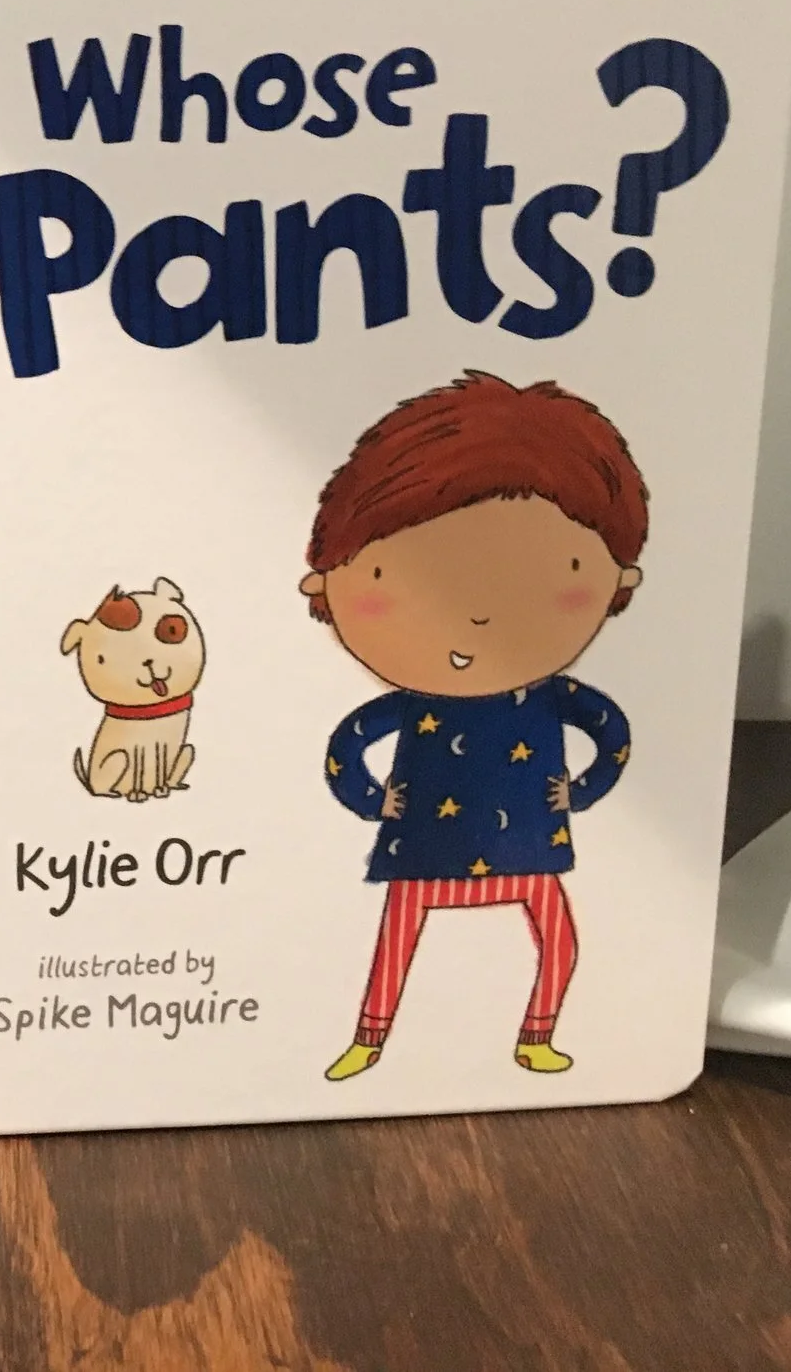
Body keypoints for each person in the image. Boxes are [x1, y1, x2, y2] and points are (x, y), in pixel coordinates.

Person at [301, 372, 646, 1081]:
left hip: (528, 840)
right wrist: (372, 801)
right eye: (409, 574)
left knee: (557, 940)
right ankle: (369, 1038)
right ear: (325, 586)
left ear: (619, 582)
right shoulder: (416, 703)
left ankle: (536, 1035)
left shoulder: (548, 695)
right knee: (396, 945)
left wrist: (581, 791)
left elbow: (612, 732)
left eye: (547, 570)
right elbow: (347, 747)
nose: (480, 611)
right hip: (426, 841)